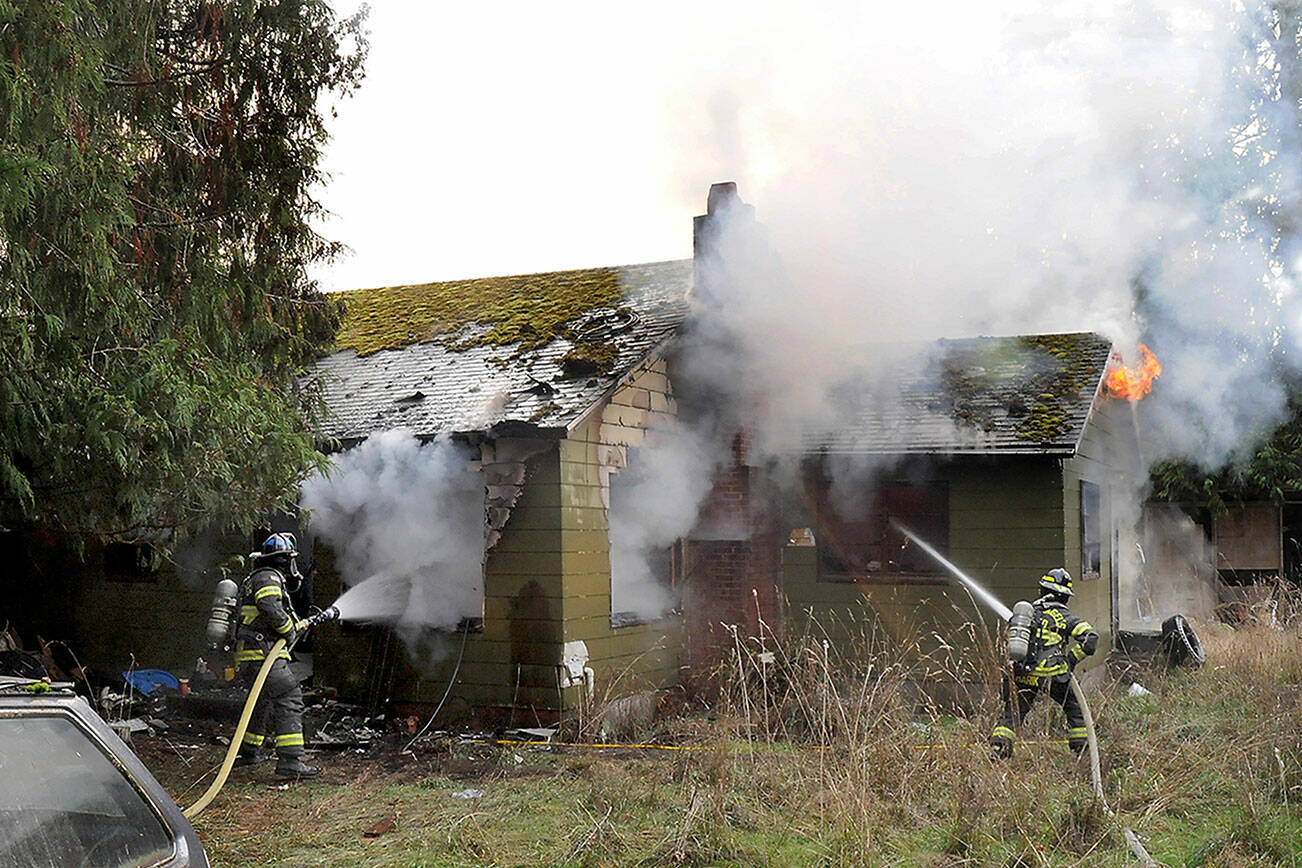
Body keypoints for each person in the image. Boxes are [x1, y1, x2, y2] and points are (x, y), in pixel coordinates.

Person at [232, 532, 319, 778]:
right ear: (284, 560)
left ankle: (249, 752)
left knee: (260, 702)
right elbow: (270, 606)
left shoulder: (256, 577)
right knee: (289, 695)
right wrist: (289, 629)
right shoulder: (269, 577)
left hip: (251, 655)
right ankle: (291, 761)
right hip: (263, 654)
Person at [989, 568, 1099, 760]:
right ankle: (1082, 753)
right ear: (1063, 596)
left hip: (1024, 674)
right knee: (1075, 710)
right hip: (1054, 675)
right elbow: (1091, 640)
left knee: (1013, 713)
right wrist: (1070, 660)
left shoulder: (1028, 614)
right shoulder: (1066, 617)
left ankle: (999, 751)